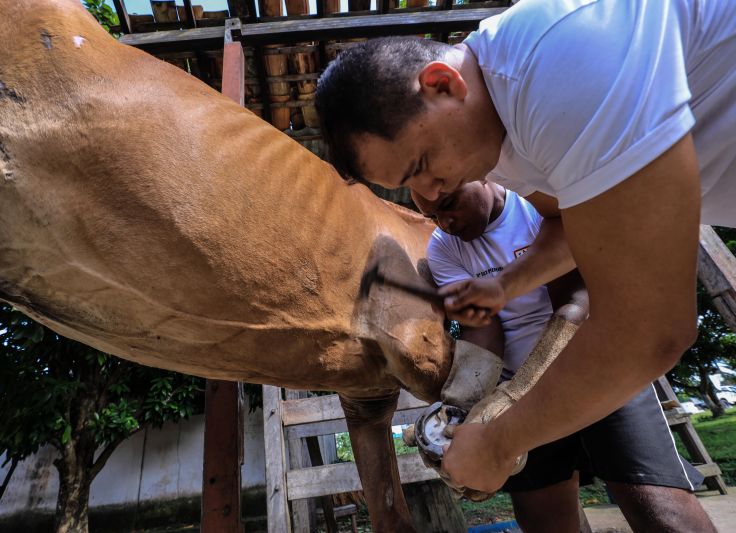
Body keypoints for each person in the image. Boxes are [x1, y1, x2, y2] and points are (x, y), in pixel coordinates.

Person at [314, 0, 736, 496]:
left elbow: (650, 329)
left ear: (442, 84)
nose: (429, 194)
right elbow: (564, 223)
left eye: (422, 164)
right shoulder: (500, 140)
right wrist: (506, 284)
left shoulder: (557, 69)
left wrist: (497, 444)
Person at [414, 180, 713, 532]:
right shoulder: (443, 246)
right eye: (433, 216)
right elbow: (483, 330)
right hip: (519, 393)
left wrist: (513, 397)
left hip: (600, 370)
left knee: (661, 512)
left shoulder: (539, 207)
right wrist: (459, 409)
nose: (445, 222)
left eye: (449, 204)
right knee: (544, 523)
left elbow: (576, 306)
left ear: (479, 176)